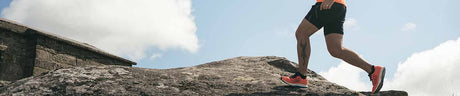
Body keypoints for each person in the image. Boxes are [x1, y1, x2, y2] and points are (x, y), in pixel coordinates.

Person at [280, 0, 386, 94]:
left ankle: (301, 77)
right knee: (335, 50)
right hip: (338, 7)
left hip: (327, 4)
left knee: (302, 33)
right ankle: (373, 70)